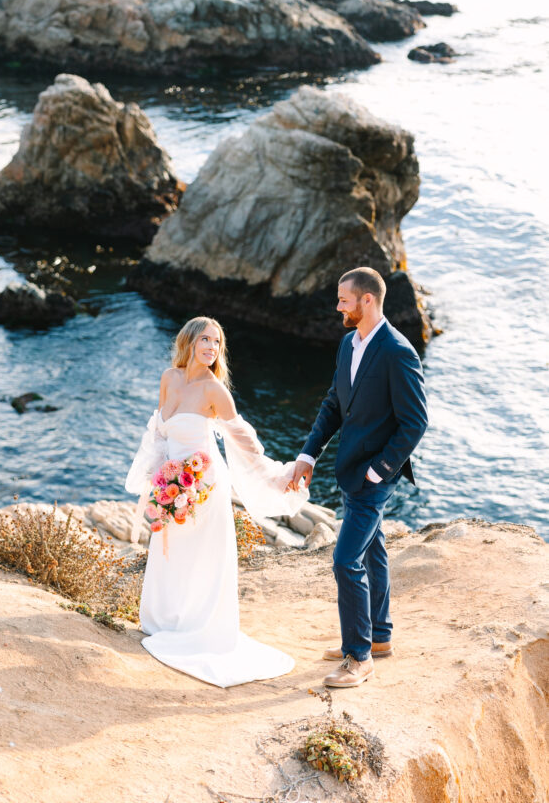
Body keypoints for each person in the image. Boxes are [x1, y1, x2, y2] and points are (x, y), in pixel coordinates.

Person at [126, 316, 309, 688]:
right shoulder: (170, 379)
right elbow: (159, 434)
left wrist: (276, 476)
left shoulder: (215, 391)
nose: (211, 347)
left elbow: (244, 441)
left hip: (205, 488)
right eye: (205, 340)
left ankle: (199, 630)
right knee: (170, 552)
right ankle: (167, 622)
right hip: (173, 485)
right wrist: (156, 481)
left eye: (217, 342)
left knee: (202, 558)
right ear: (189, 342)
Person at [288, 267, 428, 689]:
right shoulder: (350, 343)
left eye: (343, 299)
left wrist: (378, 470)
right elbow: (335, 403)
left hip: (374, 477)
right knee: (373, 550)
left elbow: (415, 421)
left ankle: (359, 657)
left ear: (367, 300)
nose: (337, 306)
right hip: (351, 470)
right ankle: (378, 637)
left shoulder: (398, 351)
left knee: (344, 560)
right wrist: (308, 454)